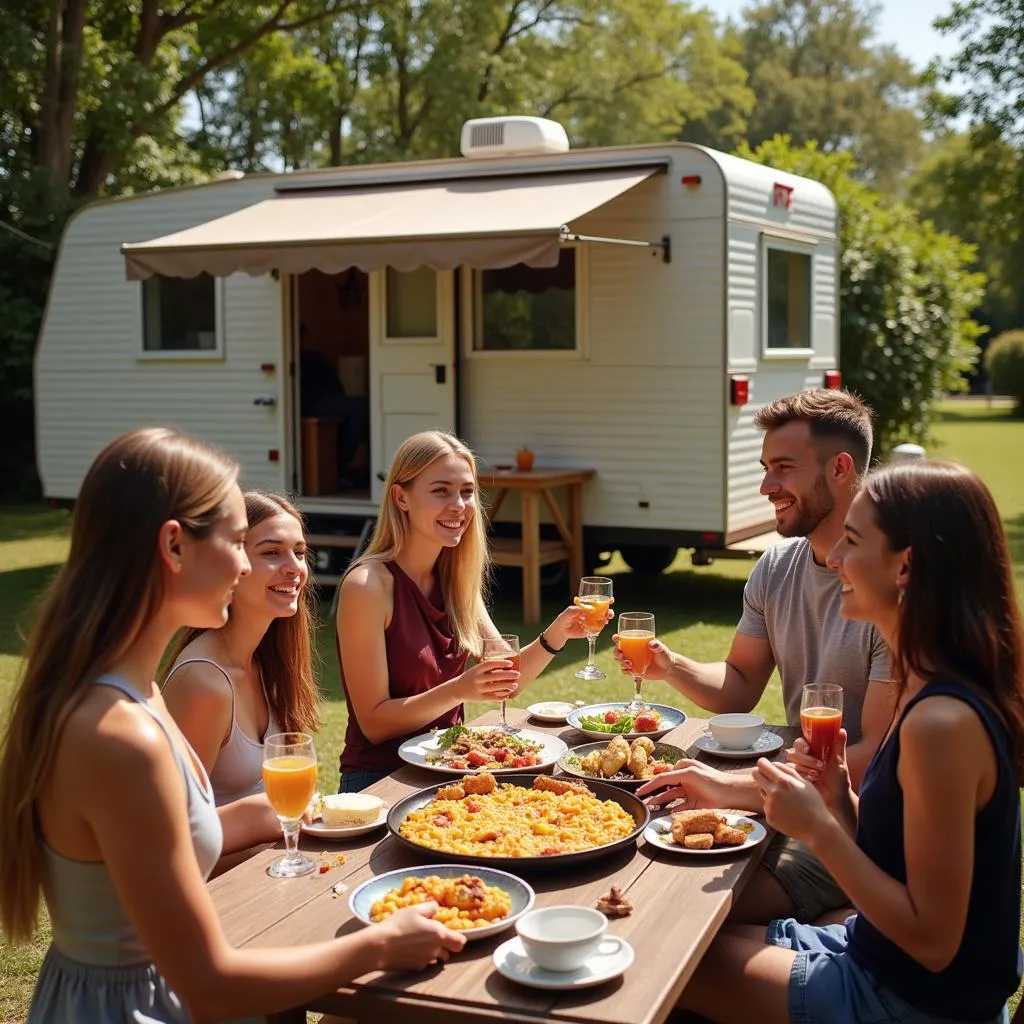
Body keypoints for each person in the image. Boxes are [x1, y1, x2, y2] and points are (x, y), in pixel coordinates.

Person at [0, 427, 464, 1024]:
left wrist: (265, 816)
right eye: (240, 542)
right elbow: (209, 987)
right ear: (174, 547)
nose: (248, 563)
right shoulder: (123, 733)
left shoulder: (134, 693)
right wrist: (380, 944)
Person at [676, 460, 1024, 1024]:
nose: (833, 558)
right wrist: (840, 803)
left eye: (853, 542)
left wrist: (816, 827)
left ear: (905, 565)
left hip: (909, 999)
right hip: (876, 954)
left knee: (666, 962)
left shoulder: (942, 722)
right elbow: (904, 863)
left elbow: (933, 942)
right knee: (685, 931)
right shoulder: (929, 685)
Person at [627, 389, 892, 925]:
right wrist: (668, 664)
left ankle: (834, 922)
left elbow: (868, 762)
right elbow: (741, 683)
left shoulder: (890, 589)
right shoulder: (776, 567)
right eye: (766, 468)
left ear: (840, 469)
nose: (767, 486)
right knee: (653, 859)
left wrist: (737, 789)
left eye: (784, 468)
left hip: (855, 821)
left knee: (690, 912)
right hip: (797, 797)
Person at [335, 429, 599, 792]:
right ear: (401, 498)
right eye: (440, 490)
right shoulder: (367, 586)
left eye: (467, 491)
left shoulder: (455, 581)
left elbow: (508, 681)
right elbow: (375, 723)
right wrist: (459, 689)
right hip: (379, 781)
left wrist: (556, 635)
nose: (458, 505)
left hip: (448, 772)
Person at [160, 490, 321, 856]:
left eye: (299, 551)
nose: (294, 567)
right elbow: (169, 843)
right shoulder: (205, 684)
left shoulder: (268, 662)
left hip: (272, 871)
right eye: (271, 552)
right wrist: (256, 819)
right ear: (231, 563)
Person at [299, 333, 369, 488]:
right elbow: (335, 386)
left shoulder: (311, 358)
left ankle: (350, 465)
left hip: (317, 401)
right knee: (360, 406)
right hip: (312, 403)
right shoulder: (306, 359)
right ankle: (344, 463)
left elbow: (335, 385)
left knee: (358, 409)